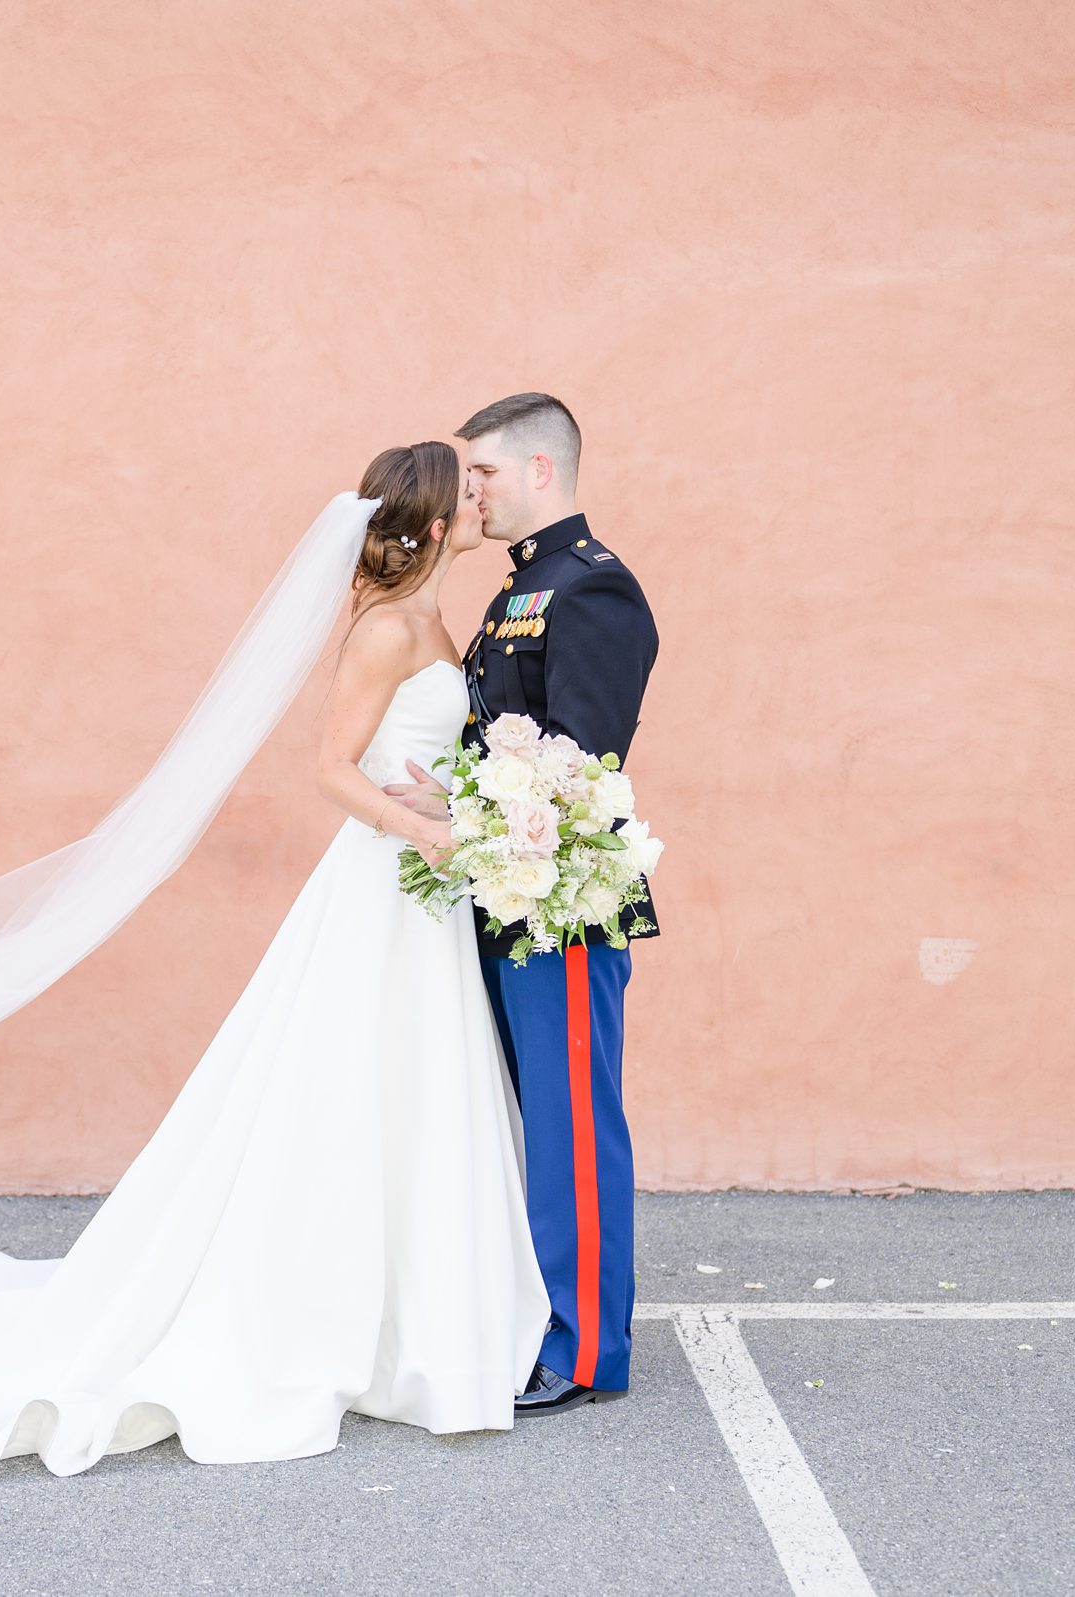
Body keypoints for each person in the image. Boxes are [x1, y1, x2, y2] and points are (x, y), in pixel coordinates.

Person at [0, 441, 553, 1483]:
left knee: (411, 1085)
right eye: (471, 493)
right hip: (387, 888)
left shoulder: (438, 616)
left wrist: (460, 812)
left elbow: (421, 763)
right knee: (353, 1083)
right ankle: (348, 1312)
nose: (483, 501)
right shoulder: (394, 627)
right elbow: (329, 769)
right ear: (441, 524)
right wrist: (435, 838)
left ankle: (415, 1309)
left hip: (422, 895)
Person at [379, 393, 659, 1415]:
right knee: (533, 1118)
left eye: (486, 474)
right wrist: (443, 796)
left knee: (573, 1127)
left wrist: (478, 809)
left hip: (565, 904)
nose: (472, 492)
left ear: (542, 471)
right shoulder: (520, 593)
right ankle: (548, 1317)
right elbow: (504, 741)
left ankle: (587, 1351)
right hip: (507, 891)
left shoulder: (591, 593)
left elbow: (581, 762)